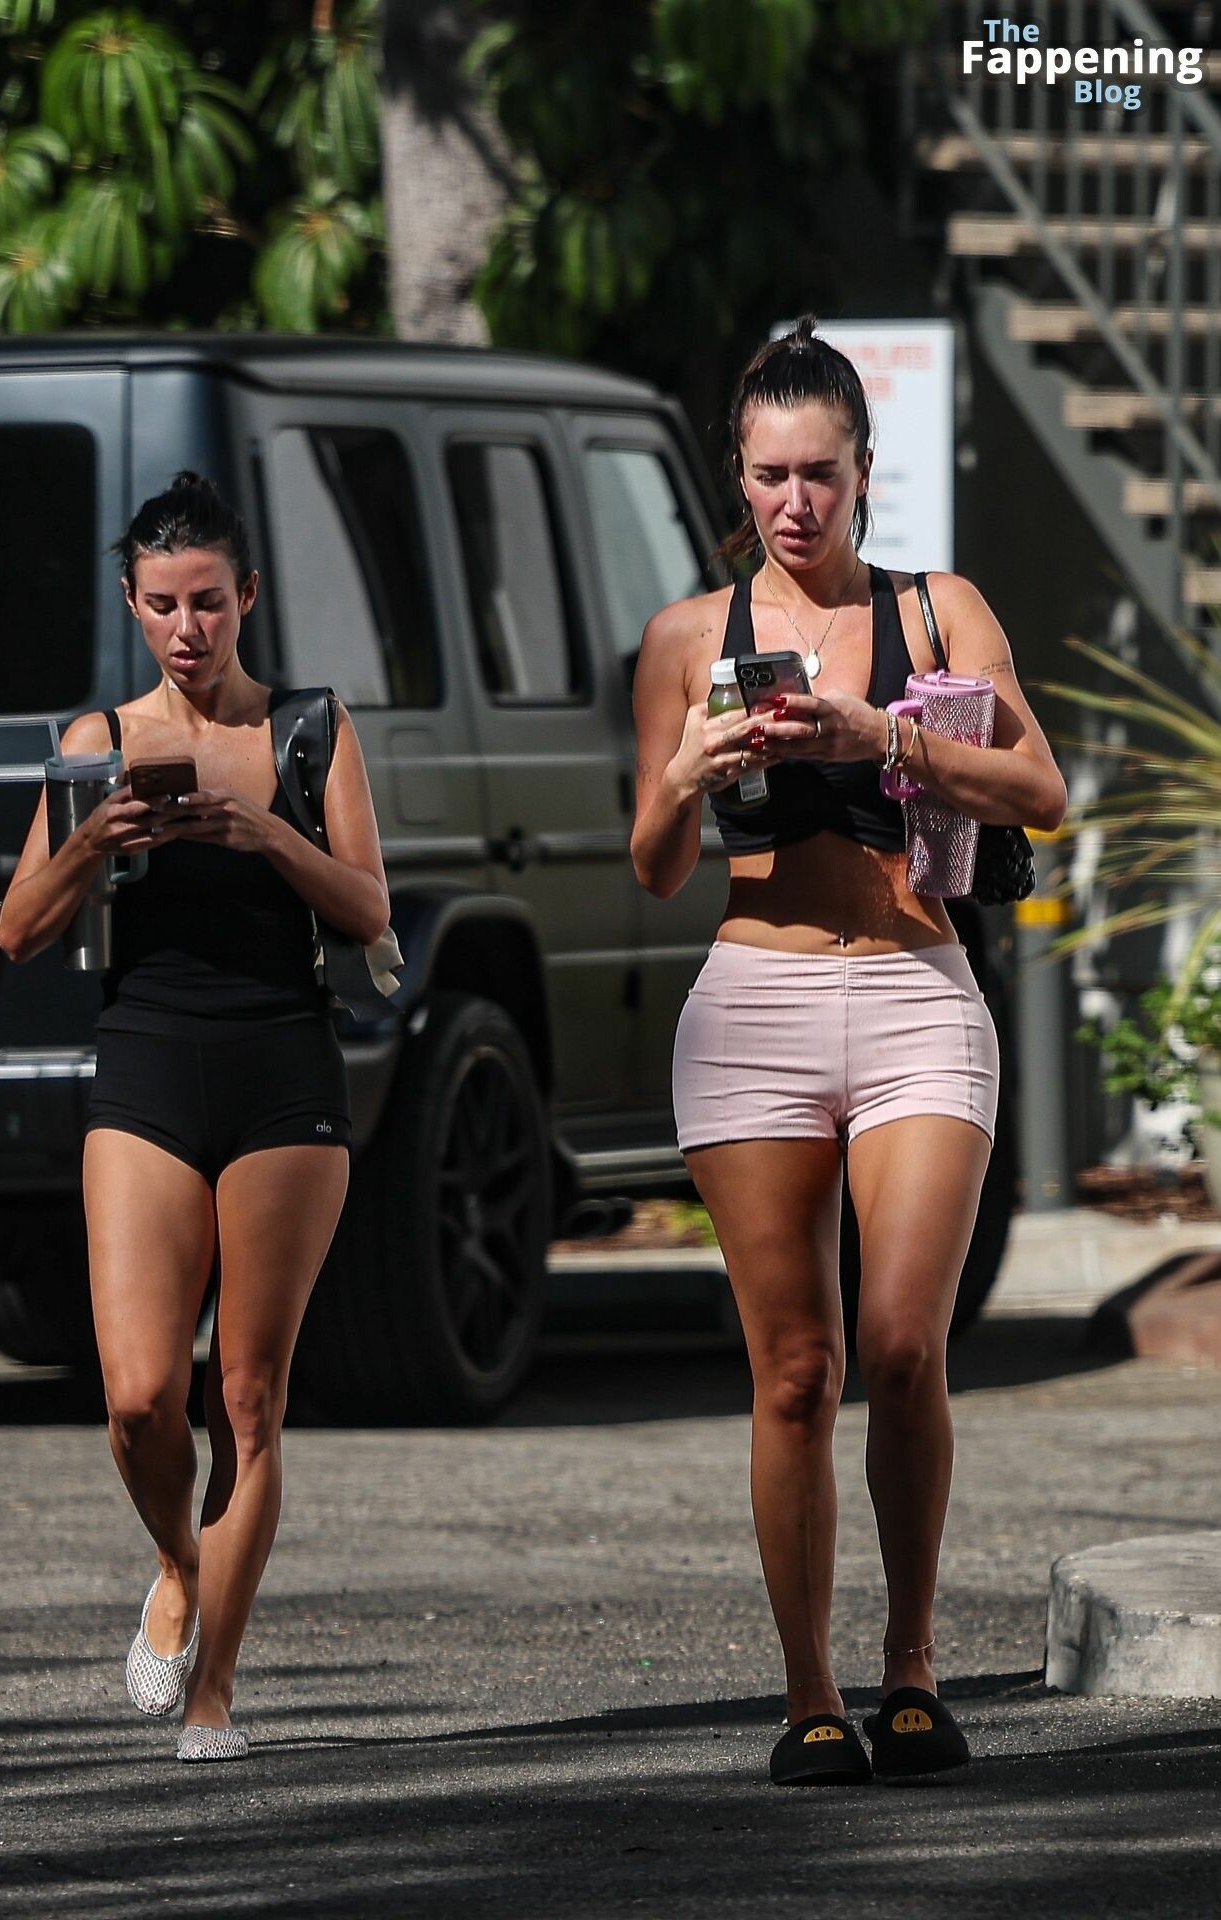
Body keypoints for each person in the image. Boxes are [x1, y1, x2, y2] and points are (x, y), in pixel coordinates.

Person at [630, 320, 1066, 1787]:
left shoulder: (938, 611)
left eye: (819, 472)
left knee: (900, 1343)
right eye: (769, 475)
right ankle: (810, 1691)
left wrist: (878, 734)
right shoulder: (686, 638)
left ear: (863, 470)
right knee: (794, 1370)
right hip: (752, 1006)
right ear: (737, 475)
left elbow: (1040, 789)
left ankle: (914, 1666)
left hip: (913, 990)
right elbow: (653, 863)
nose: (794, 501)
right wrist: (691, 769)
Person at [0, 472, 390, 1763]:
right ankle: (179, 1563)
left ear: (247, 597)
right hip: (148, 1068)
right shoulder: (95, 740)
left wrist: (262, 835)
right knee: (137, 1398)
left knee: (250, 1399)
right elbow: (17, 931)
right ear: (132, 603)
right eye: (164, 605)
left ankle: (214, 1690)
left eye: (209, 602)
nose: (188, 629)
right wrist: (92, 838)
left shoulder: (310, 731)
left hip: (285, 1071)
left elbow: (370, 908)